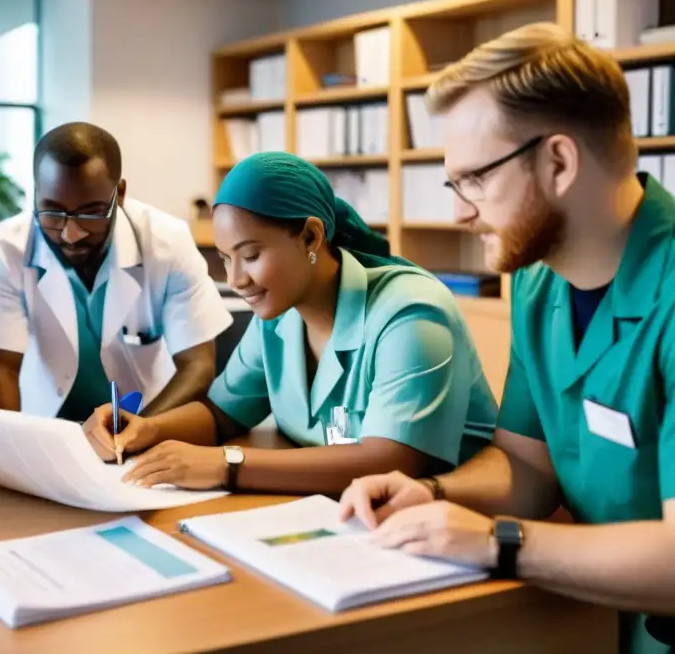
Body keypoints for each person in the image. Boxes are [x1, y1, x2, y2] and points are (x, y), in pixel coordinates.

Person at [337, 22, 675, 654]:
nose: (459, 211)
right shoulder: (536, 284)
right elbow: (528, 465)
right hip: (590, 620)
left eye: (476, 179)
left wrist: (498, 542)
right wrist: (435, 494)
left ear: (558, 162)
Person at [83, 151, 499, 493]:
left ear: (311, 238)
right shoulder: (278, 318)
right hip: (343, 512)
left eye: (251, 255)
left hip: (453, 525)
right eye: (227, 259)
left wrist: (228, 464)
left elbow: (392, 460)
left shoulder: (411, 314)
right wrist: (147, 429)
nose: (235, 280)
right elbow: (222, 414)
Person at [0, 122, 232, 421]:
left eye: (90, 213)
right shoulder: (9, 247)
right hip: (48, 425)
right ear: (35, 193)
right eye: (53, 211)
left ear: (119, 194)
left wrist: (139, 432)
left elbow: (198, 367)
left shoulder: (167, 241)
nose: (71, 234)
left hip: (151, 415)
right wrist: (2, 458)